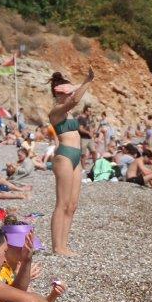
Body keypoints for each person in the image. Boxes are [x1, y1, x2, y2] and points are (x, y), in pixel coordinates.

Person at [48, 69, 95, 256]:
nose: (69, 95)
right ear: (58, 94)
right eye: (65, 93)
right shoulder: (56, 112)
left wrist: (77, 86)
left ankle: (64, 246)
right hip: (65, 156)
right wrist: (88, 80)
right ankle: (57, 247)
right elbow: (75, 99)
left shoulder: (68, 114)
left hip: (76, 157)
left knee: (72, 205)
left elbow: (74, 96)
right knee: (62, 203)